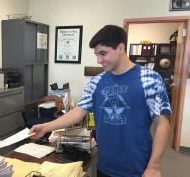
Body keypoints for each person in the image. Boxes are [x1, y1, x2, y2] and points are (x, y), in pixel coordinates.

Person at [29, 25, 171, 177]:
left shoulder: (150, 79)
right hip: (105, 164)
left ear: (120, 48)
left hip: (138, 166)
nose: (99, 60)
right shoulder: (96, 82)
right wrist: (46, 126)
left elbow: (162, 123)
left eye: (103, 53)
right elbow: (77, 112)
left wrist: (154, 166)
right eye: (97, 55)